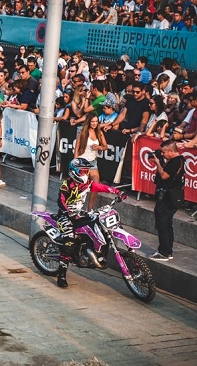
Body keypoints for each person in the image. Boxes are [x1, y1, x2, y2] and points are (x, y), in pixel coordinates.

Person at [56, 158, 126, 288]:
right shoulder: (66, 185)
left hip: (79, 214)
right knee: (69, 243)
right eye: (82, 171)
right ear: (74, 171)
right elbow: (61, 201)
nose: (85, 174)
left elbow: (100, 187)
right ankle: (61, 275)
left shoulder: (86, 184)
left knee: (98, 225)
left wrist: (117, 192)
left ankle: (95, 253)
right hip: (65, 216)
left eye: (86, 171)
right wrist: (68, 212)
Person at [149, 140, 185, 261]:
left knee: (163, 224)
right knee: (167, 224)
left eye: (164, 152)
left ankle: (164, 252)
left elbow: (164, 175)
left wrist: (158, 163)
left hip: (168, 197)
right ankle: (168, 251)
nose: (162, 154)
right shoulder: (180, 160)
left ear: (171, 151)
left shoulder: (175, 162)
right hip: (173, 196)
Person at [74, 113, 108, 210]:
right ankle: (76, 208)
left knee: (96, 185)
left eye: (96, 121)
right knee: (80, 187)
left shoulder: (99, 132)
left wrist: (99, 147)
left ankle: (90, 209)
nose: (94, 123)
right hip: (82, 161)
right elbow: (76, 149)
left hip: (93, 162)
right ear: (89, 122)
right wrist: (76, 164)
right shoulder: (83, 132)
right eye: (92, 121)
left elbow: (105, 146)